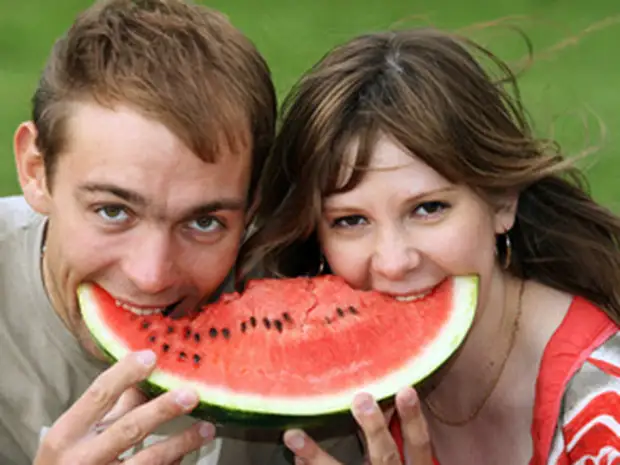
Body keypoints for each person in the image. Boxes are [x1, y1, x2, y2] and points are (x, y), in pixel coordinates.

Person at [240, 27, 620, 464]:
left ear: (501, 203)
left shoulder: (603, 405)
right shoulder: (334, 396)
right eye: (351, 221)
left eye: (428, 209)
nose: (394, 261)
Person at [0, 0, 280, 463]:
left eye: (204, 222)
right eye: (113, 211)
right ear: (36, 170)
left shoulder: (294, 300)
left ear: (253, 206)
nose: (151, 276)